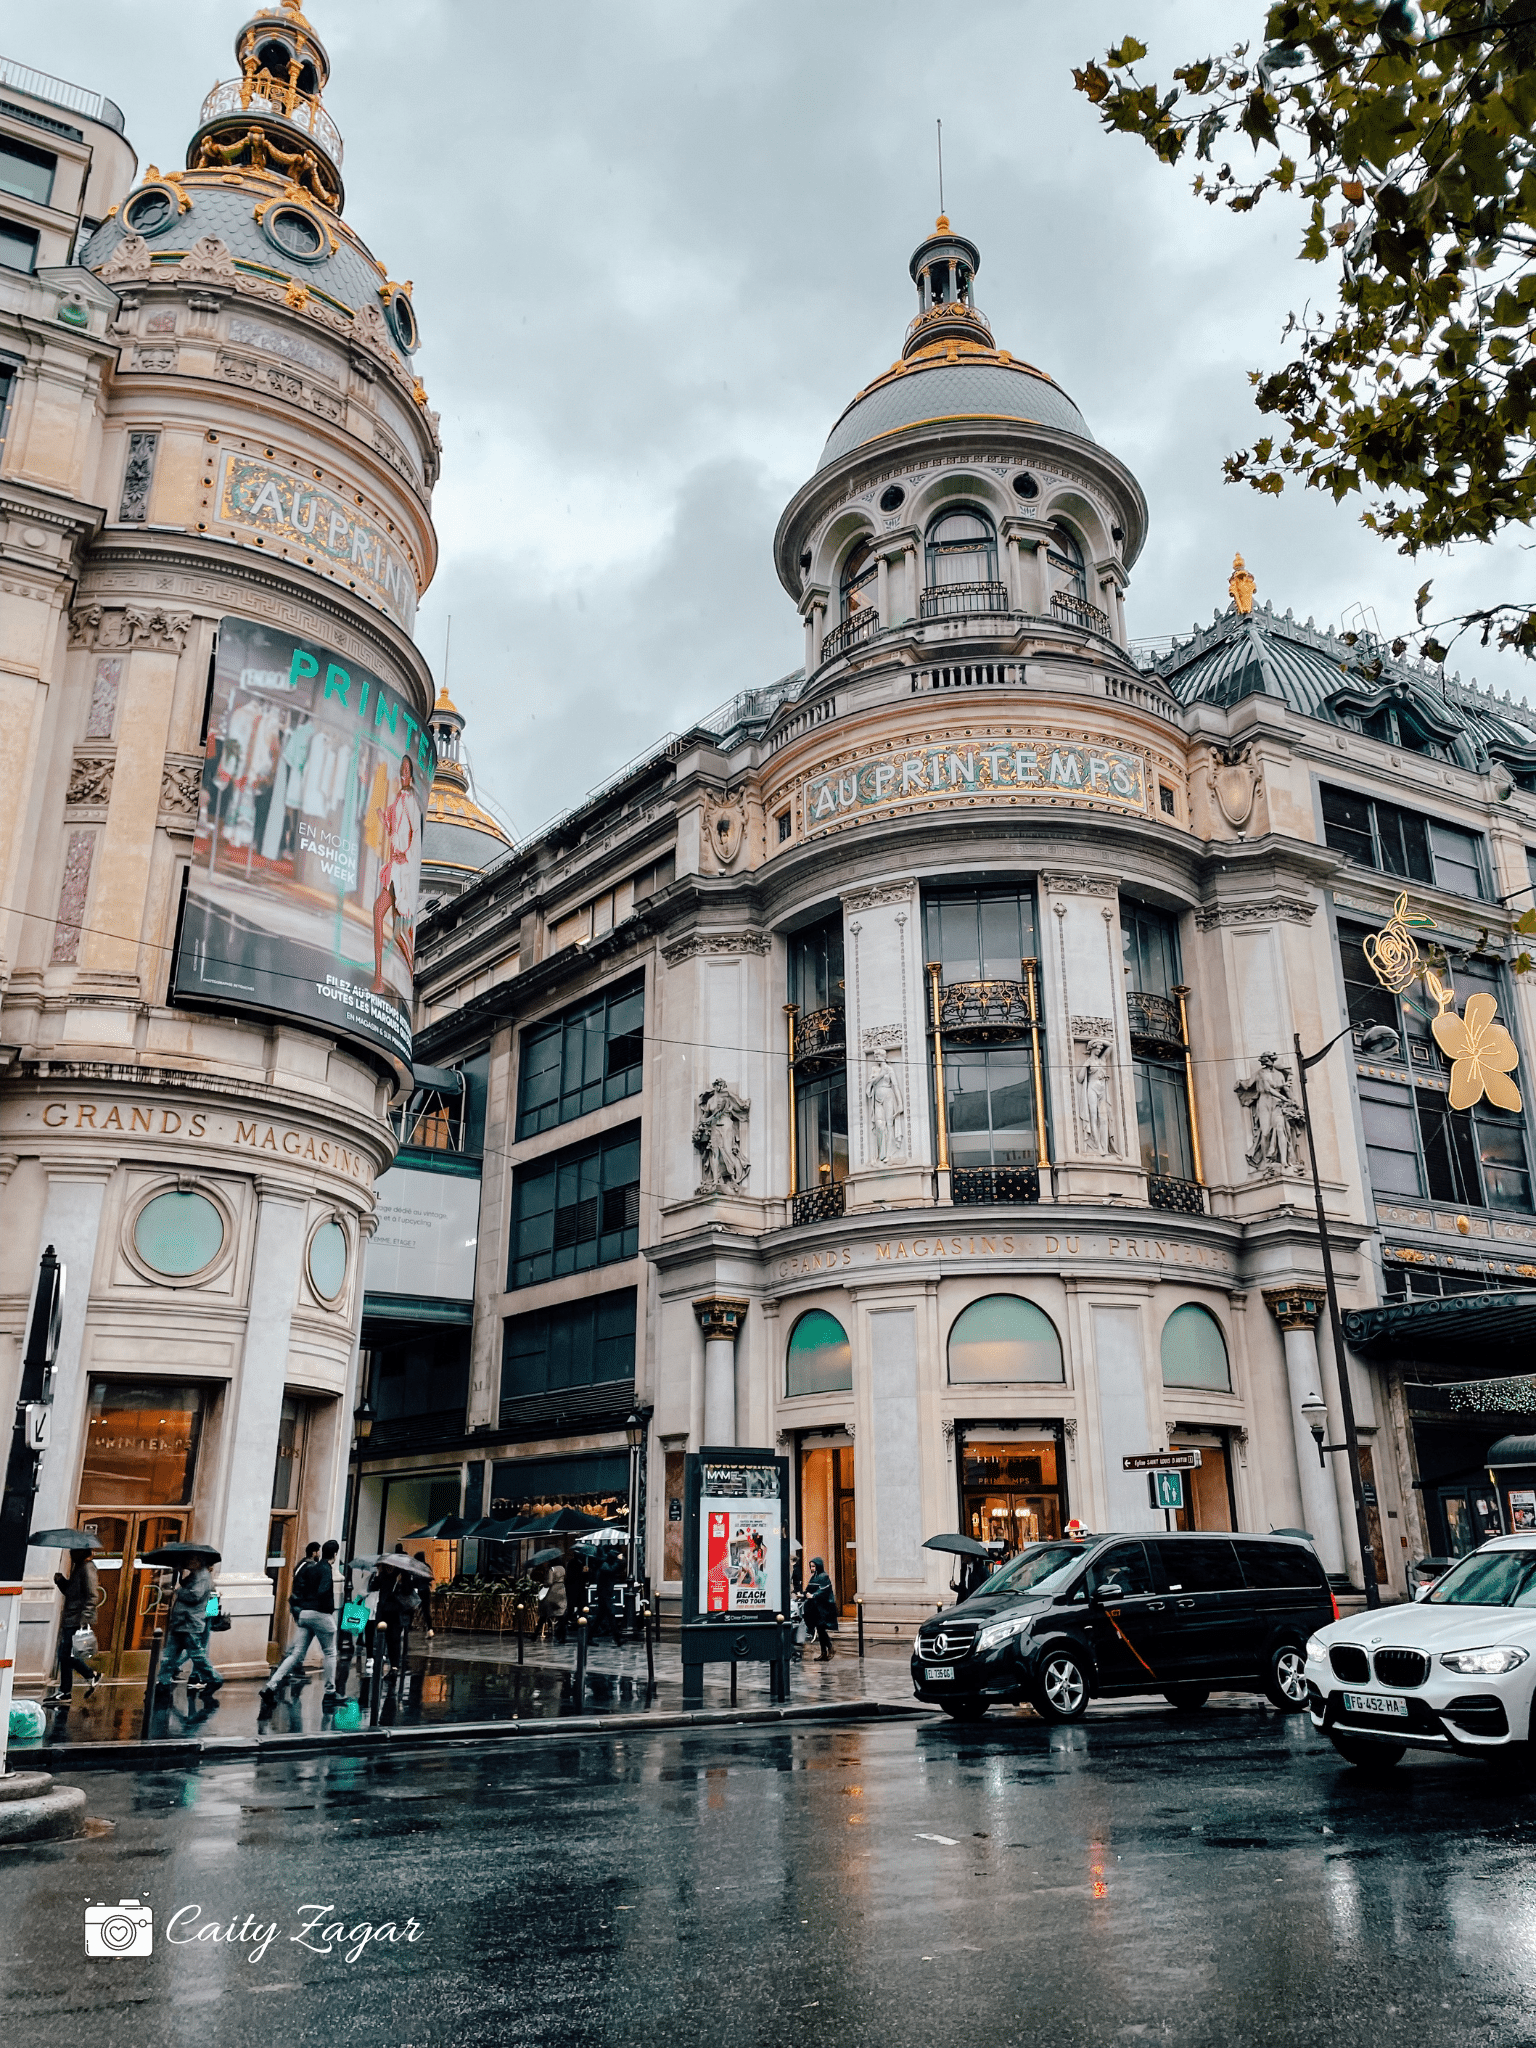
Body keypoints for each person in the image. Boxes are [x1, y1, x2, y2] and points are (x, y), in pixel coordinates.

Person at [262, 1540, 338, 1708]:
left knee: (296, 1653)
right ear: (335, 1554)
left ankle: (270, 1685)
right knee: (330, 1653)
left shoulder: (310, 1567)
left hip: (304, 1613)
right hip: (319, 1613)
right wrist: (328, 1607)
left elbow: (302, 1589)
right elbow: (323, 1590)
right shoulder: (325, 1569)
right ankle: (330, 1692)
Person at [370, 752, 421, 993]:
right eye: (401, 769)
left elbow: (415, 836)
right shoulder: (398, 801)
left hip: (402, 871)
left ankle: (410, 966)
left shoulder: (411, 802)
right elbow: (395, 832)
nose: (403, 774)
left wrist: (407, 856)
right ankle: (378, 977)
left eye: (407, 770)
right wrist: (383, 820)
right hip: (392, 869)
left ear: (411, 775)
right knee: (379, 914)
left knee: (398, 929)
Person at [42, 1547, 102, 1704]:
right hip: (71, 1618)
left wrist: (85, 1620)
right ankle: (85, 1679)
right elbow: (71, 1592)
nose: (70, 1554)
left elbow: (92, 1595)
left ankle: (69, 1689)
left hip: (77, 1620)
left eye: (73, 1552)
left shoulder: (87, 1568)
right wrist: (61, 1581)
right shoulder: (79, 1567)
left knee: (65, 1655)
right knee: (66, 1655)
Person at [161, 1558, 223, 1696]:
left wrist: (179, 1590)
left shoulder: (204, 1578)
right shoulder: (193, 1577)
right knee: (178, 1652)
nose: (189, 1562)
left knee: (196, 1651)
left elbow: (200, 1599)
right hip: (184, 1621)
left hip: (192, 1621)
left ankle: (206, 1677)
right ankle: (164, 1680)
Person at [376, 1561, 421, 1680]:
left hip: (397, 1612)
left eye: (390, 1566)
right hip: (384, 1612)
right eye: (386, 1566)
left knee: (394, 1639)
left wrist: (402, 1581)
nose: (388, 1568)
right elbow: (374, 1587)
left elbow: (408, 1591)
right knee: (384, 1639)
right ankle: (384, 1664)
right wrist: (378, 1574)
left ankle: (394, 1667)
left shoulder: (402, 1575)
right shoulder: (382, 1575)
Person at [804, 1557, 838, 1660]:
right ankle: (824, 1652)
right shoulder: (814, 1577)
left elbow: (824, 1590)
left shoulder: (824, 1576)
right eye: (811, 1566)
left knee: (821, 1629)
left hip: (824, 1607)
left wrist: (813, 1595)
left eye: (813, 1566)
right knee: (819, 1629)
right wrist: (804, 1594)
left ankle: (830, 1648)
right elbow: (809, 1588)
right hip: (816, 1607)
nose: (812, 1568)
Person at [593, 1548, 625, 1646]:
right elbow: (611, 1570)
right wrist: (618, 1560)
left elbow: (617, 1569)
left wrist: (620, 1561)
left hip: (606, 1594)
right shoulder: (604, 1565)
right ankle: (617, 1639)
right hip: (604, 1595)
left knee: (599, 1618)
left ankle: (588, 1636)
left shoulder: (606, 1564)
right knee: (611, 1615)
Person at [540, 1560, 569, 1644]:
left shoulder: (552, 1569)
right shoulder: (563, 1568)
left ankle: (554, 1631)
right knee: (561, 1613)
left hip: (554, 1591)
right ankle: (562, 1634)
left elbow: (550, 1582)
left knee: (552, 1612)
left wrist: (545, 1583)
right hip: (562, 1590)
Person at [564, 1547, 588, 1629]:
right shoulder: (576, 1564)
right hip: (576, 1588)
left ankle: (573, 1620)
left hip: (574, 1588)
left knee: (575, 1606)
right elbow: (575, 1577)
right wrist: (584, 1573)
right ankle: (573, 1620)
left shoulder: (574, 1563)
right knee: (575, 1606)